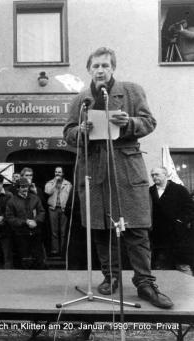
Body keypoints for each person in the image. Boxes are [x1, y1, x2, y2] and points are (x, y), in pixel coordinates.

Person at [63, 47, 173, 309]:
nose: (100, 70)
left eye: (105, 66)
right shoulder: (81, 100)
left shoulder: (132, 91)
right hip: (94, 166)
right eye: (95, 66)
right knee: (101, 228)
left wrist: (129, 123)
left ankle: (145, 283)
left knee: (136, 228)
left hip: (126, 166)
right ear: (89, 70)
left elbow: (149, 122)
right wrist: (80, 130)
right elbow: (67, 133)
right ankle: (110, 277)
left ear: (113, 68)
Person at [149, 167, 194, 275]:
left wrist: (180, 221)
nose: (154, 177)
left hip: (178, 236)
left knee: (183, 265)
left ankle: (189, 290)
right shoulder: (150, 191)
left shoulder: (179, 190)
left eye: (157, 174)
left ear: (166, 175)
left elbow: (190, 208)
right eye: (152, 175)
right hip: (158, 237)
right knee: (161, 267)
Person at [6, 177, 46, 269]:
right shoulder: (12, 201)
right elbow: (10, 218)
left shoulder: (35, 198)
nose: (25, 189)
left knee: (38, 258)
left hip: (35, 234)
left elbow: (42, 212)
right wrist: (25, 222)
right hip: (20, 234)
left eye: (26, 186)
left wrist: (36, 221)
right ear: (17, 188)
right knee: (23, 259)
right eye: (22, 187)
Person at [44, 166, 73, 256]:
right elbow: (48, 192)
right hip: (53, 209)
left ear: (63, 173)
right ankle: (55, 250)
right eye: (56, 172)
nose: (57, 174)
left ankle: (64, 250)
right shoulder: (49, 183)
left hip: (64, 209)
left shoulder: (68, 184)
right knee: (54, 231)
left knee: (64, 231)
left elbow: (70, 197)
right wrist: (55, 183)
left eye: (59, 172)